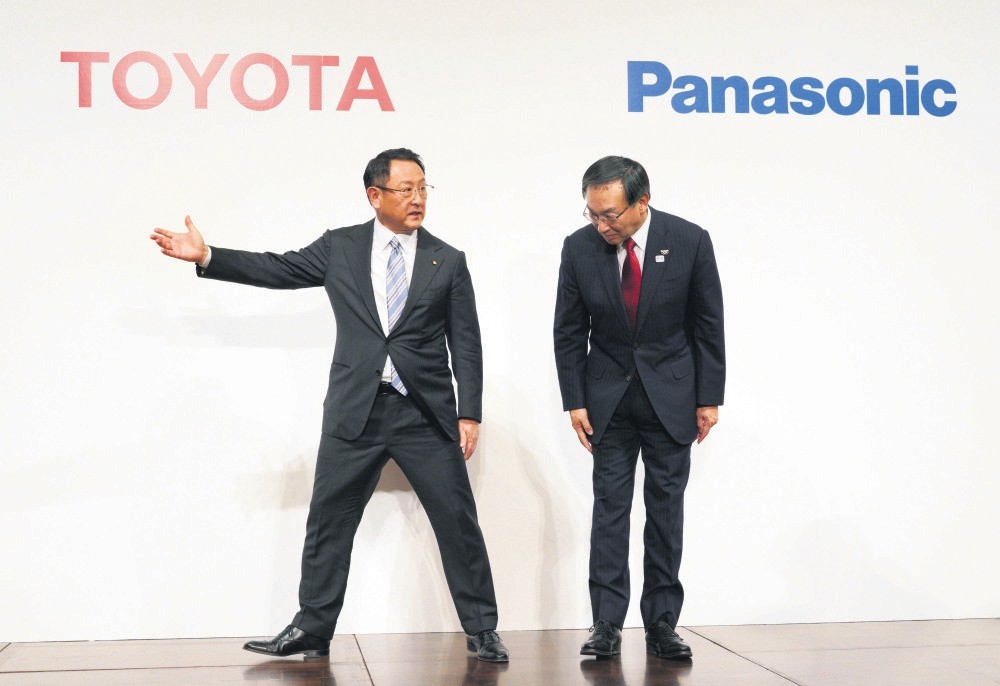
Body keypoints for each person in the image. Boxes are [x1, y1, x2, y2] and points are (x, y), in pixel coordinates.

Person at [149, 148, 508, 663]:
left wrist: (468, 411)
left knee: (457, 522)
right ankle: (311, 628)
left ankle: (482, 629)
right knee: (328, 523)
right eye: (405, 189)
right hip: (354, 410)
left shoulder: (446, 259)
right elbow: (279, 268)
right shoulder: (341, 247)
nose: (417, 199)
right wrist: (209, 256)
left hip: (424, 415)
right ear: (374, 195)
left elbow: (466, 342)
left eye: (423, 188)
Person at [553, 156, 725, 660]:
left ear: (642, 201)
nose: (601, 225)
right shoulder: (579, 247)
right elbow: (568, 330)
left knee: (665, 511)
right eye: (592, 214)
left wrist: (708, 397)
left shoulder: (689, 240)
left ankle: (662, 623)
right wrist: (574, 400)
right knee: (610, 510)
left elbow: (708, 324)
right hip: (607, 400)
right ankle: (606, 623)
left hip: (672, 397)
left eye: (609, 214)